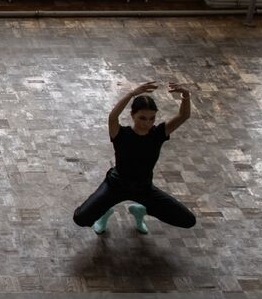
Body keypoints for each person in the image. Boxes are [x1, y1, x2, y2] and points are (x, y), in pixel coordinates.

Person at [72, 80, 196, 235]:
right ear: (132, 115)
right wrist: (131, 94)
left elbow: (184, 115)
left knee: (188, 220)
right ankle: (105, 211)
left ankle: (141, 210)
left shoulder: (158, 133)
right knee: (80, 218)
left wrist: (186, 95)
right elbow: (113, 116)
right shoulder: (120, 134)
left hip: (144, 188)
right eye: (142, 118)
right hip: (115, 186)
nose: (147, 123)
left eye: (152, 118)